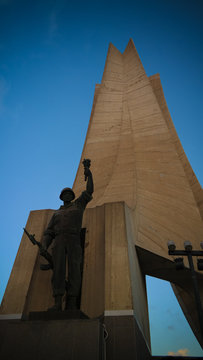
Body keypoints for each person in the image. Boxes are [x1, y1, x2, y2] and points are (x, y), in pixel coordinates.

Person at [41, 161, 93, 311]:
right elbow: (49, 232)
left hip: (73, 239)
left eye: (70, 193)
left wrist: (89, 175)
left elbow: (89, 191)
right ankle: (57, 302)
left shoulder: (78, 205)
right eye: (65, 194)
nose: (68, 195)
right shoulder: (56, 213)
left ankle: (71, 301)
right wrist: (44, 245)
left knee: (75, 270)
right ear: (61, 197)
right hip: (59, 241)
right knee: (58, 270)